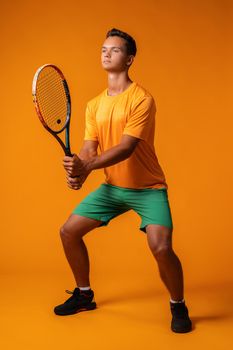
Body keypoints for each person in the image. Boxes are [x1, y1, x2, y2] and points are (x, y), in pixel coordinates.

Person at [54, 28, 192, 333]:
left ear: (129, 59)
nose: (106, 53)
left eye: (114, 50)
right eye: (103, 48)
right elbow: (90, 147)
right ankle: (84, 295)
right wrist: (80, 167)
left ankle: (178, 304)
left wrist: (87, 165)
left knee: (161, 247)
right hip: (113, 189)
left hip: (148, 189)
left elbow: (125, 147)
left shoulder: (142, 99)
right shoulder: (94, 105)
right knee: (68, 232)